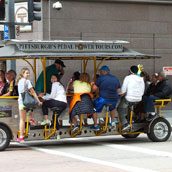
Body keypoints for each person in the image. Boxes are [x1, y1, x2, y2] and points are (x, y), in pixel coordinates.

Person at [15, 68, 42, 142]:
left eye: (29, 73)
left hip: (21, 102)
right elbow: (32, 92)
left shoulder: (19, 81)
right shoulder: (27, 81)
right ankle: (32, 118)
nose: (28, 74)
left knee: (22, 120)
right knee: (32, 104)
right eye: (27, 73)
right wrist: (38, 100)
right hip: (27, 102)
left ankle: (21, 136)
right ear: (22, 74)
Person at [91, 65, 121, 130]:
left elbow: (94, 88)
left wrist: (91, 91)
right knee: (112, 107)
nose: (100, 73)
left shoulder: (101, 78)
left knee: (93, 108)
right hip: (114, 99)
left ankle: (95, 125)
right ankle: (112, 121)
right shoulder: (115, 78)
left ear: (104, 71)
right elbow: (119, 90)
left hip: (103, 99)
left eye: (101, 71)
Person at [40, 74, 67, 140]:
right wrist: (47, 95)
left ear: (57, 79)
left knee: (44, 104)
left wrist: (43, 97)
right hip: (64, 104)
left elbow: (52, 96)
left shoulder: (55, 84)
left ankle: (46, 120)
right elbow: (53, 95)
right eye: (52, 78)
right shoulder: (60, 85)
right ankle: (58, 135)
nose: (53, 79)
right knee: (55, 117)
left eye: (54, 78)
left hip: (58, 102)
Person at [117, 65, 145, 132]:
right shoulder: (141, 78)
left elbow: (123, 90)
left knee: (120, 109)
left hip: (129, 98)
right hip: (139, 99)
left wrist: (120, 94)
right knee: (130, 107)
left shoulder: (128, 78)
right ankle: (131, 120)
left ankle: (125, 124)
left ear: (130, 71)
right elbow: (142, 90)